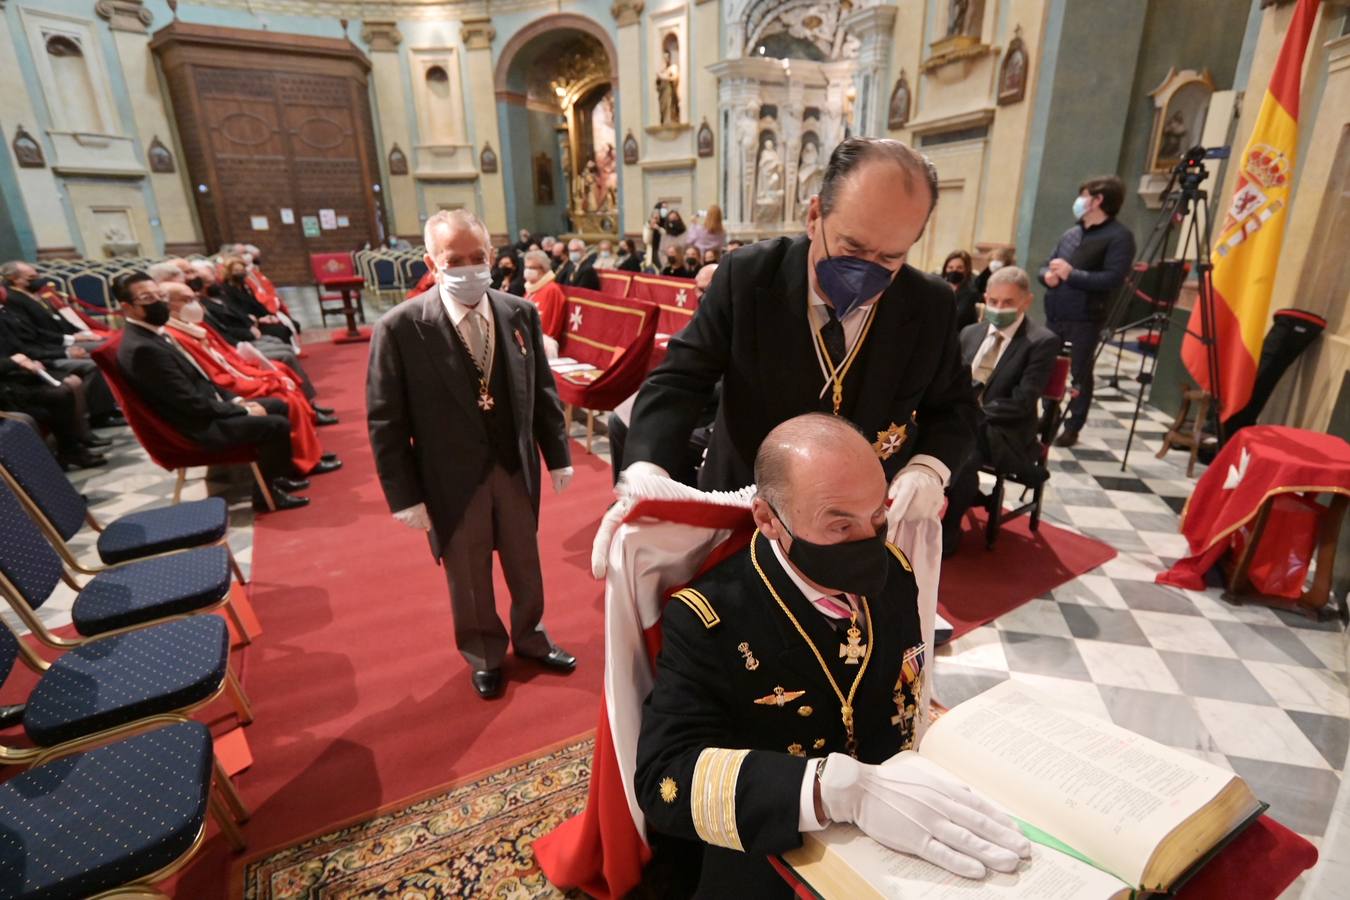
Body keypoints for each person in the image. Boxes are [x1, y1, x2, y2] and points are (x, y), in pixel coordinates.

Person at [635, 414, 1030, 895]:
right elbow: (664, 780)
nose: (869, 542)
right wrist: (832, 790)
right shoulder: (711, 618)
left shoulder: (896, 574)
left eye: (877, 517)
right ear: (767, 518)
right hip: (780, 846)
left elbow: (903, 693)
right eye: (840, 525)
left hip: (902, 834)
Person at [598, 138, 977, 575]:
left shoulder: (928, 303)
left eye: (890, 256)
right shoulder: (748, 275)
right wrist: (647, 468)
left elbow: (955, 408)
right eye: (852, 248)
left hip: (855, 529)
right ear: (815, 215)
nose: (868, 269)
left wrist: (929, 468)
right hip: (745, 509)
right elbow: (681, 378)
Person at [366, 210, 577, 700]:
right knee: (469, 572)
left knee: (526, 562)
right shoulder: (401, 328)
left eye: (477, 257)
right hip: (451, 477)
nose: (468, 269)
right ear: (431, 262)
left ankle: (531, 635)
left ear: (492, 257)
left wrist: (558, 454)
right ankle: (484, 652)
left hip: (513, 465)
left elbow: (541, 391)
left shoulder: (518, 312)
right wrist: (404, 496)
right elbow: (386, 421)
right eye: (454, 260)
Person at [113, 272, 309, 512]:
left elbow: (201, 379)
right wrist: (242, 409)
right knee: (275, 424)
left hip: (203, 410)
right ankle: (266, 494)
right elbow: (189, 404)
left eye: (160, 295)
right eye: (147, 298)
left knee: (278, 405)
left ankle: (277, 477)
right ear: (127, 307)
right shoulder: (142, 348)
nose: (158, 302)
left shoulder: (153, 334)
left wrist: (236, 400)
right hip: (194, 428)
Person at [162, 282, 342, 477]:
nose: (195, 303)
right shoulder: (177, 336)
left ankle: (310, 453)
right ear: (168, 304)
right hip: (226, 389)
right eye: (187, 300)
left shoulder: (192, 326)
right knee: (284, 397)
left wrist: (260, 374)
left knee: (281, 377)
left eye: (195, 298)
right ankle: (302, 460)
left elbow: (227, 358)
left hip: (232, 376)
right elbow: (214, 375)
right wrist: (259, 381)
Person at [941, 267, 1061, 554]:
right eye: (993, 301)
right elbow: (950, 379)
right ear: (985, 298)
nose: (999, 308)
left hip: (1005, 428)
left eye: (1008, 303)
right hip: (965, 417)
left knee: (965, 453)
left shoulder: (1041, 341)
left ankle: (949, 528)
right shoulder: (971, 332)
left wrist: (972, 414)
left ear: (1026, 301)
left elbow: (1022, 400)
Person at [1039, 174, 1135, 447]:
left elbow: (1113, 278)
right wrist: (1047, 275)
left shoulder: (1119, 236)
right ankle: (1048, 415)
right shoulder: (1072, 233)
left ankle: (1073, 425)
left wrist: (1072, 274)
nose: (1079, 201)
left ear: (1097, 200)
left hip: (1086, 316)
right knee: (1048, 366)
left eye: (1084, 195)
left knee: (1080, 371)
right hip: (1055, 311)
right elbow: (1047, 264)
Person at [0, 261, 122, 427]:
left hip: (47, 348)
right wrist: (67, 350)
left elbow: (45, 328)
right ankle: (100, 415)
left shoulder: (25, 300)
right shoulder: (13, 302)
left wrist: (76, 337)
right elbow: (30, 342)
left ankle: (110, 405)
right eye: (32, 278)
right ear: (15, 279)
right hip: (37, 356)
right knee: (91, 365)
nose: (39, 280)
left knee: (106, 346)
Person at [0, 297, 107, 469]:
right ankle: (57, 460)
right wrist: (15, 362)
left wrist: (27, 362)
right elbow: (15, 354)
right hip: (7, 384)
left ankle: (71, 449)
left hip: (14, 374)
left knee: (62, 390)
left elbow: (20, 347)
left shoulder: (5, 312)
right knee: (52, 399)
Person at [522, 249, 567, 343]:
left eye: (531, 268)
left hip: (542, 342)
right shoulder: (530, 289)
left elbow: (551, 323)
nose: (527, 271)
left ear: (543, 268)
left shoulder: (551, 290)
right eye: (526, 267)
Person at [942, 250, 980, 332]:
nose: (954, 271)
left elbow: (959, 318)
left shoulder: (971, 292)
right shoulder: (939, 287)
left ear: (967, 270)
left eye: (959, 268)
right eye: (950, 267)